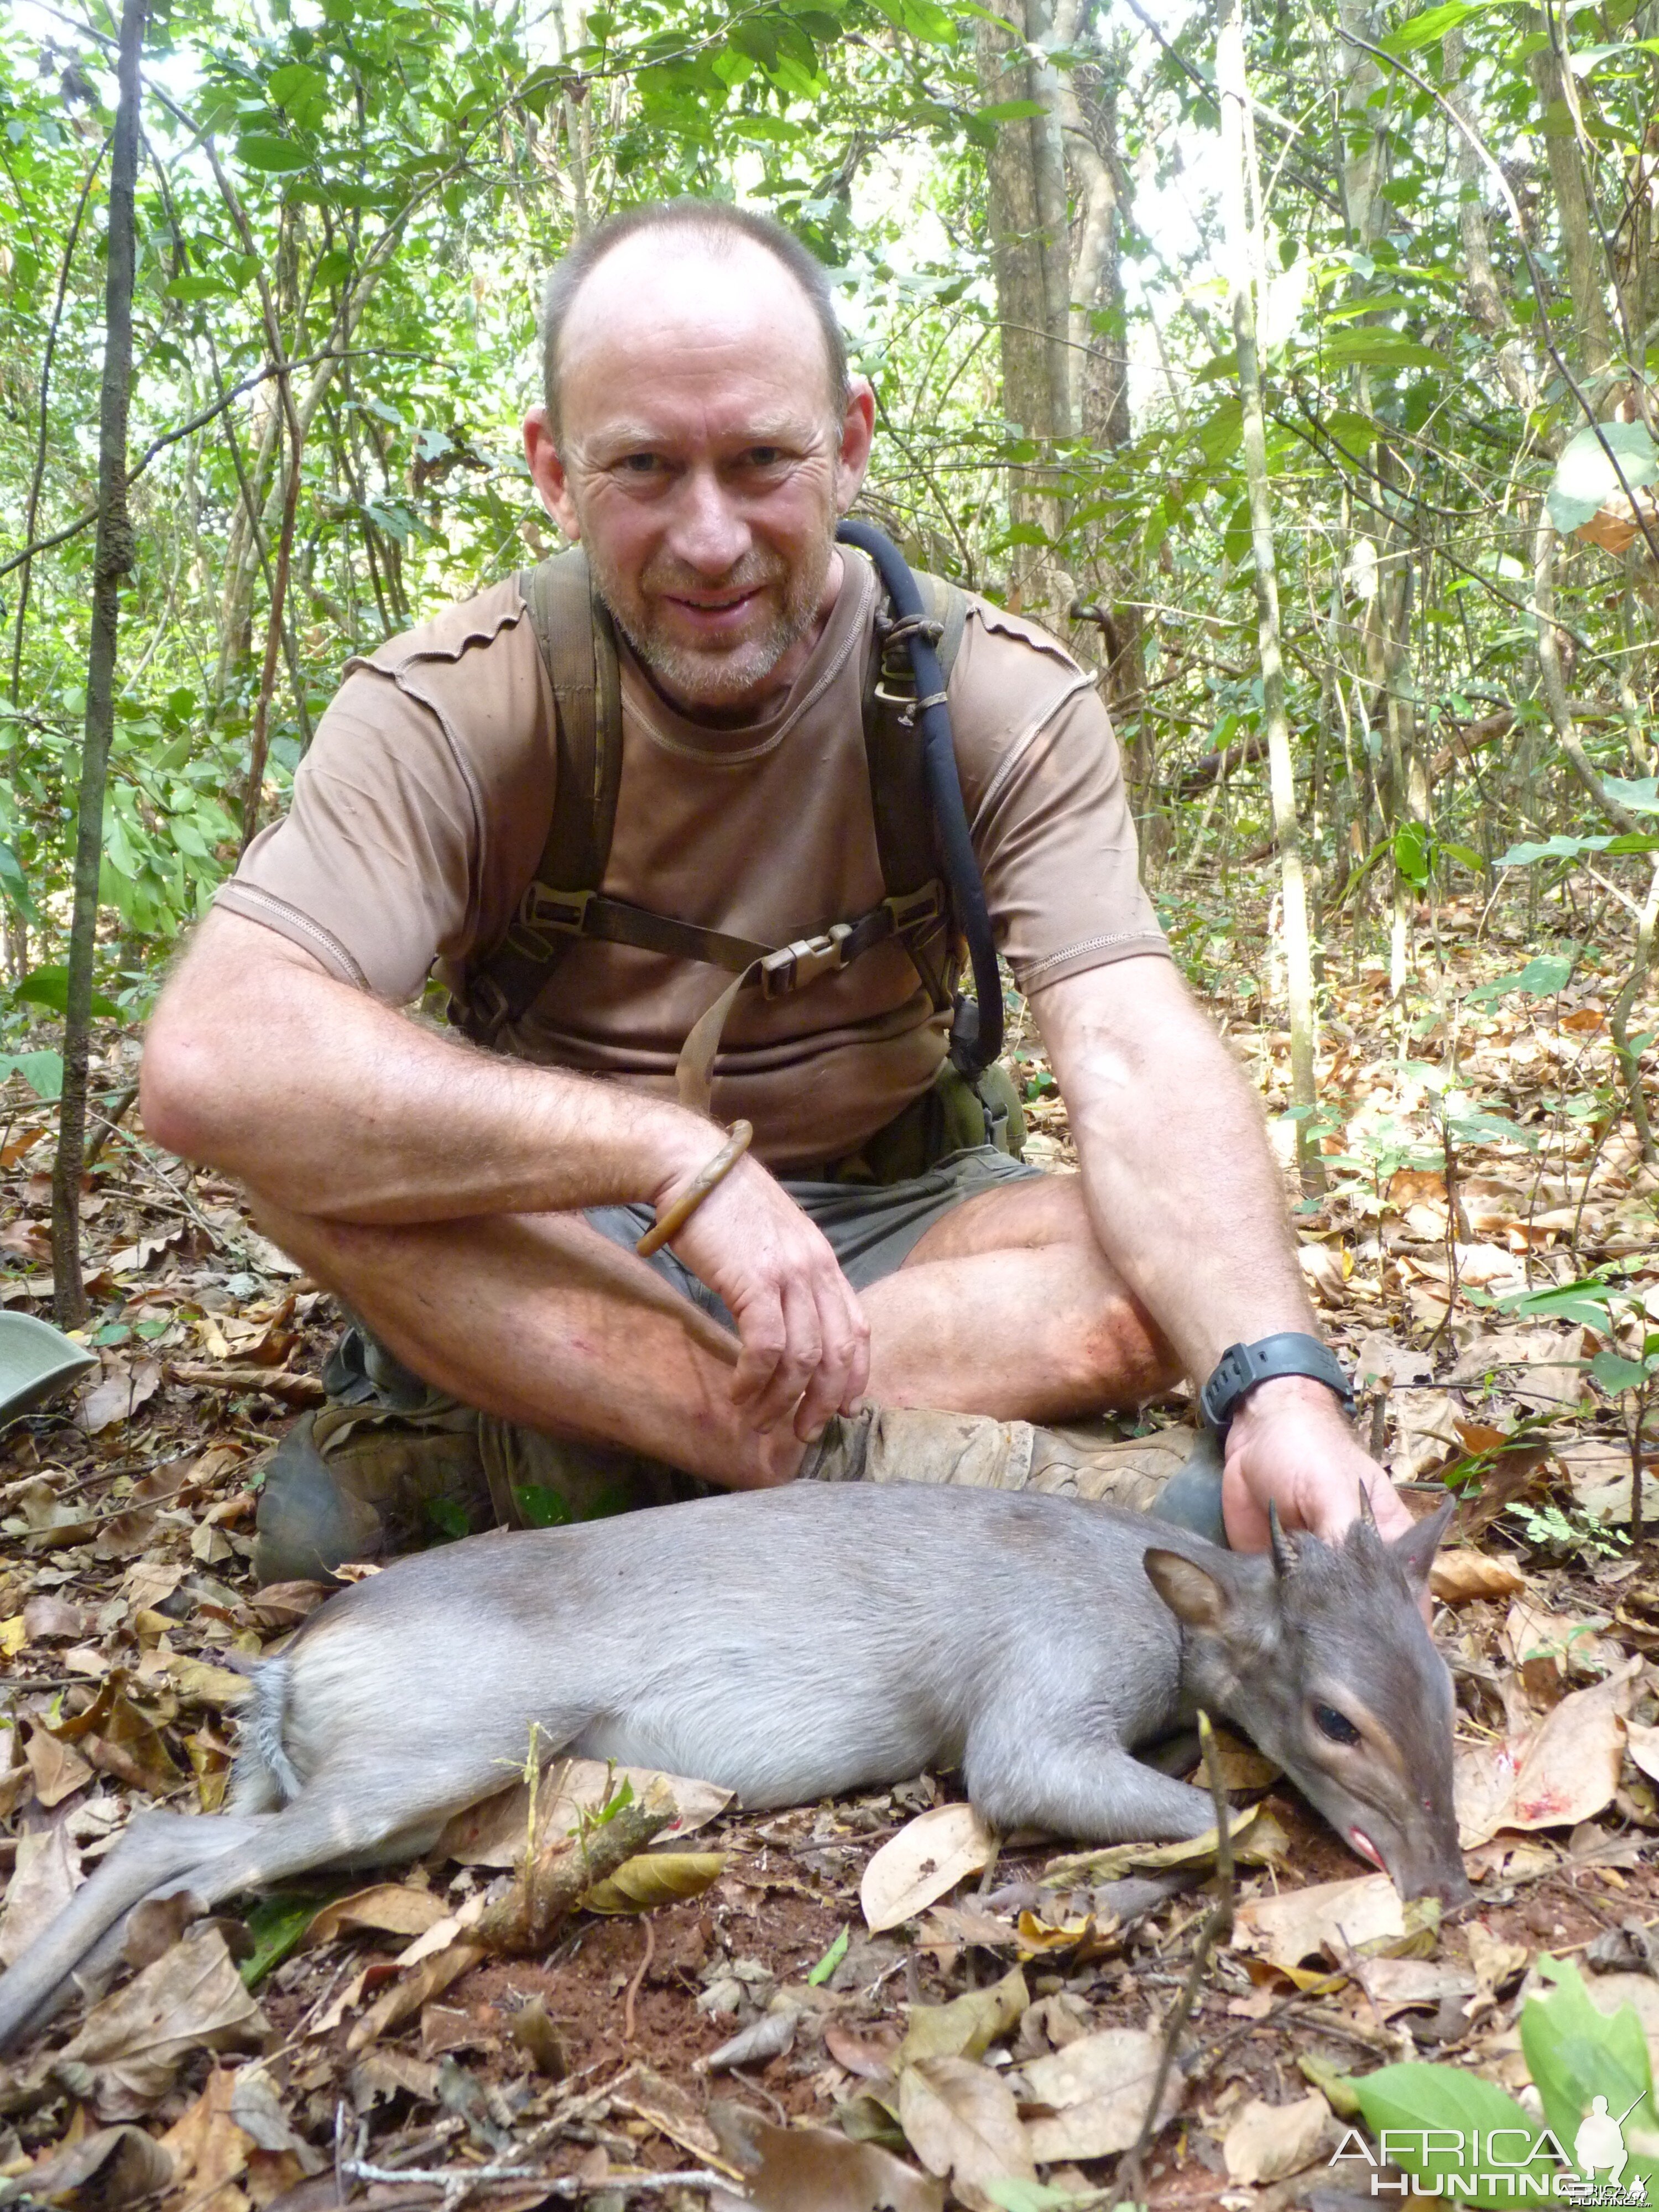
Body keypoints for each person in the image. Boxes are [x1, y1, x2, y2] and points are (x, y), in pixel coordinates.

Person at [139, 199, 1409, 1585]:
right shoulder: (463, 705)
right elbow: (214, 1053)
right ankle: (772, 1451)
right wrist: (678, 1160)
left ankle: (601, 1441)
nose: (709, 538)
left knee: (1166, 1268)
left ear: (850, 440)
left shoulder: (986, 698)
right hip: (561, 1230)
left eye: (761, 462)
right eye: (643, 468)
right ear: (555, 473)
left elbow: (1131, 1044)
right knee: (292, 1151)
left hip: (897, 1224)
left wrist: (1282, 1390)